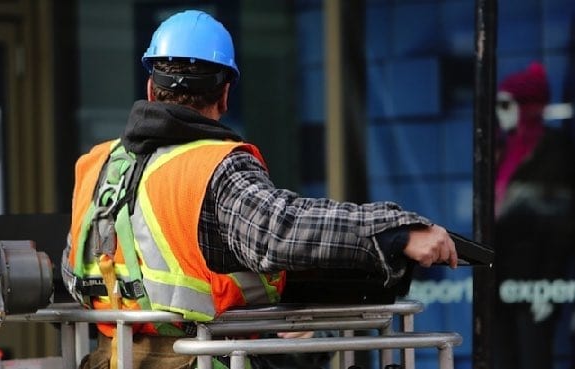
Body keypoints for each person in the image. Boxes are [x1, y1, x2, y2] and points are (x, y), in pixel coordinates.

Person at [61, 9, 458, 369]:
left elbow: (73, 271)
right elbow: (277, 231)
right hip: (201, 360)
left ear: (151, 89)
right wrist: (395, 231)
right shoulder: (214, 166)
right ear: (225, 95)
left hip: (116, 360)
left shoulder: (97, 166)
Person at [492, 62, 575, 369]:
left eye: (505, 104)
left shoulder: (554, 150)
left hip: (536, 277)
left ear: (527, 106)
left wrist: (548, 285)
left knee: (533, 356)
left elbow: (561, 224)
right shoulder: (499, 149)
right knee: (501, 357)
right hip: (499, 276)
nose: (500, 113)